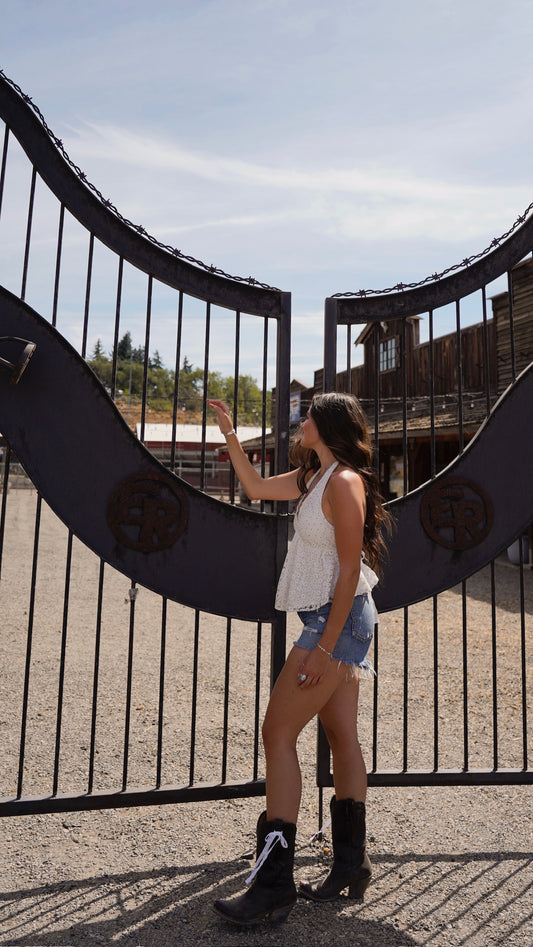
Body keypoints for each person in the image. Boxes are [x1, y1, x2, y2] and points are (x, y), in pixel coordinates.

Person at [208, 391, 390, 926]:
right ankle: (351, 865)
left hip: (336, 623)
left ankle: (273, 886)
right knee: (341, 735)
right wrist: (230, 434)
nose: (301, 421)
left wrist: (325, 647)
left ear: (328, 425)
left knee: (277, 732)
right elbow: (255, 487)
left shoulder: (345, 482)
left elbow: (350, 570)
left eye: (308, 415)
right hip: (336, 620)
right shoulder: (316, 477)